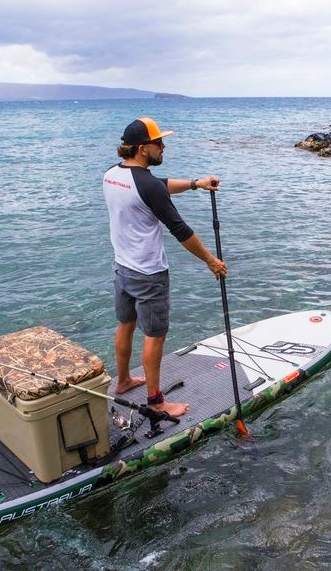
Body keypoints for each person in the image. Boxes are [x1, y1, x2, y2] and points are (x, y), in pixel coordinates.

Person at [102, 117, 227, 418]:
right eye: (159, 143)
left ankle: (122, 381)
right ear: (143, 149)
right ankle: (156, 401)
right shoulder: (146, 185)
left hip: (122, 268)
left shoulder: (112, 175)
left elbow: (159, 185)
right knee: (154, 335)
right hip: (149, 273)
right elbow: (180, 230)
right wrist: (211, 261)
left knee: (126, 325)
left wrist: (196, 183)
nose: (164, 146)